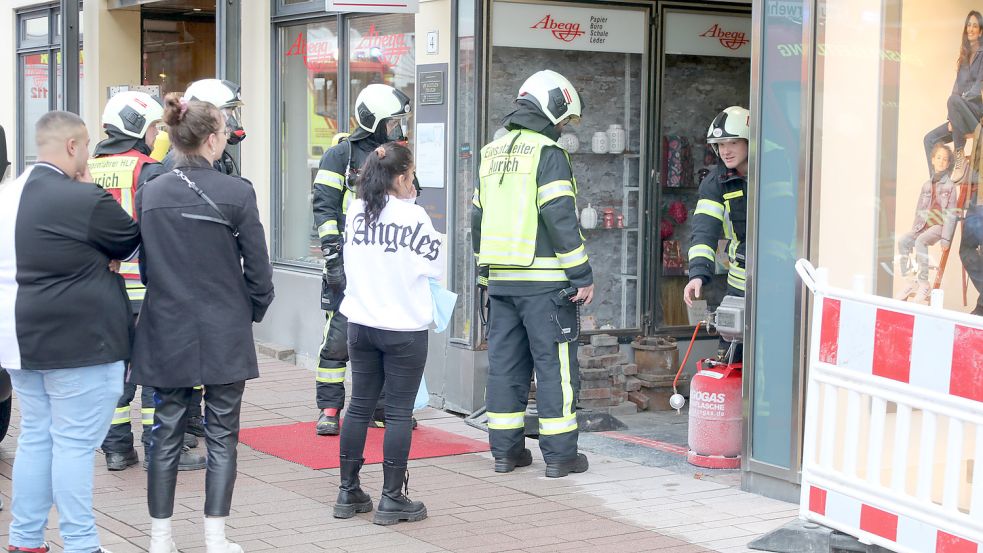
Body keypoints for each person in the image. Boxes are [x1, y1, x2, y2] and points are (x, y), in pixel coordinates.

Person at [129, 93, 274, 553]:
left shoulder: (150, 191)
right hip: (223, 325)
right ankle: (216, 538)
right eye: (225, 132)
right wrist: (249, 310)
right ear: (212, 140)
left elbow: (148, 267)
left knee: (164, 432)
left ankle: (160, 538)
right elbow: (259, 270)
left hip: (166, 322)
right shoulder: (237, 191)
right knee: (223, 433)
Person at [0, 111, 140, 553]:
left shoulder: (6, 196)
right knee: (75, 445)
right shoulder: (83, 199)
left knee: (37, 436)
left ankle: (25, 541)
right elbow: (128, 239)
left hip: (18, 341)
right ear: (75, 147)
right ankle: (81, 544)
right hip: (82, 341)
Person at [472, 70, 594, 478]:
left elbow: (477, 219)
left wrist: (485, 273)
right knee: (554, 367)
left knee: (505, 366)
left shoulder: (492, 152)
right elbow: (560, 216)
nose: (562, 129)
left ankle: (506, 453)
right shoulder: (548, 153)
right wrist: (582, 273)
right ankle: (560, 457)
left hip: (502, 282)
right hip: (546, 286)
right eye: (563, 120)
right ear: (552, 108)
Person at [88, 91, 205, 472]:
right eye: (154, 127)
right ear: (136, 126)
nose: (157, 135)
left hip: (102, 291)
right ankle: (161, 450)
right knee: (157, 372)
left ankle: (117, 449)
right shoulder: (149, 169)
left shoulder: (86, 168)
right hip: (149, 289)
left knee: (115, 372)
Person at [334, 141, 441, 525]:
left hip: (360, 324)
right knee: (397, 413)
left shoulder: (355, 210)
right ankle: (392, 497)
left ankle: (348, 491)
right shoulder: (414, 218)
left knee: (359, 407)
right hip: (404, 328)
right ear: (399, 178)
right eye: (410, 176)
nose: (412, 182)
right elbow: (436, 267)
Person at [311, 83, 416, 436]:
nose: (399, 128)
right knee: (338, 338)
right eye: (393, 121)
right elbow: (324, 207)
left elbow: (412, 199)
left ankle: (382, 409)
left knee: (386, 333)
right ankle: (329, 409)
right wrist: (332, 256)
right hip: (347, 261)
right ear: (375, 121)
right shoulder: (340, 156)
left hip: (386, 264)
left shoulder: (397, 156)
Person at [162, 78, 247, 439]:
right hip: (188, 281)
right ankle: (185, 423)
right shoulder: (171, 166)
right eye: (226, 115)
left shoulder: (222, 159)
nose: (231, 124)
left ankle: (194, 417)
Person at [683, 106, 750, 360]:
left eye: (733, 142)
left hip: (779, 285)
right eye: (720, 144)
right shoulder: (716, 180)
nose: (726, 150)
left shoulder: (776, 170)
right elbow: (704, 230)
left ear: (749, 141)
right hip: (740, 284)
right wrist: (697, 274)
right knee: (733, 358)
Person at [923, 11, 983, 182]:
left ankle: (959, 157)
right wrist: (952, 117)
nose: (970, 29)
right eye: (968, 25)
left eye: (975, 26)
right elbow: (955, 89)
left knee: (954, 100)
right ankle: (942, 183)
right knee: (929, 139)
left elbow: (978, 87)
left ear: (980, 31)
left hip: (975, 115)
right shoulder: (964, 56)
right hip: (959, 113)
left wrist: (958, 103)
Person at [897, 143, 959, 303]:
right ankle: (911, 281)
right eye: (938, 158)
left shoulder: (950, 186)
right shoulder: (926, 185)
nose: (941, 161)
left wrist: (946, 239)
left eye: (945, 160)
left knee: (921, 241)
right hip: (923, 225)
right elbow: (919, 210)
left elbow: (951, 215)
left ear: (948, 164)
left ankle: (924, 283)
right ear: (932, 160)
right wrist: (914, 230)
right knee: (904, 240)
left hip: (939, 226)